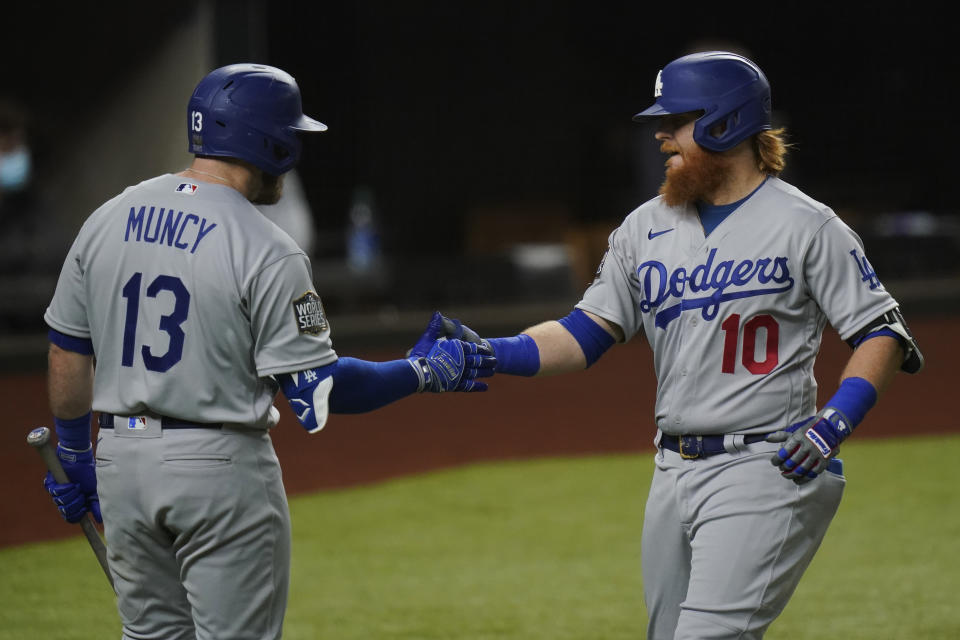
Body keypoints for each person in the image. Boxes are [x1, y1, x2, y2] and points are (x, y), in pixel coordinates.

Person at [464, 51, 923, 639]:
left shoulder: (808, 226)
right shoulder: (644, 227)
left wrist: (836, 420)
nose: (661, 135)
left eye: (675, 119)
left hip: (766, 466)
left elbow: (880, 331)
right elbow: (583, 334)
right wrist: (492, 353)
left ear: (723, 121)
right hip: (671, 471)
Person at [40, 63, 495, 640]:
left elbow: (66, 352)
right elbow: (320, 392)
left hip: (120, 462)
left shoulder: (108, 216)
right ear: (268, 141)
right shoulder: (264, 246)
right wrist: (424, 372)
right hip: (217, 469)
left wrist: (78, 454)